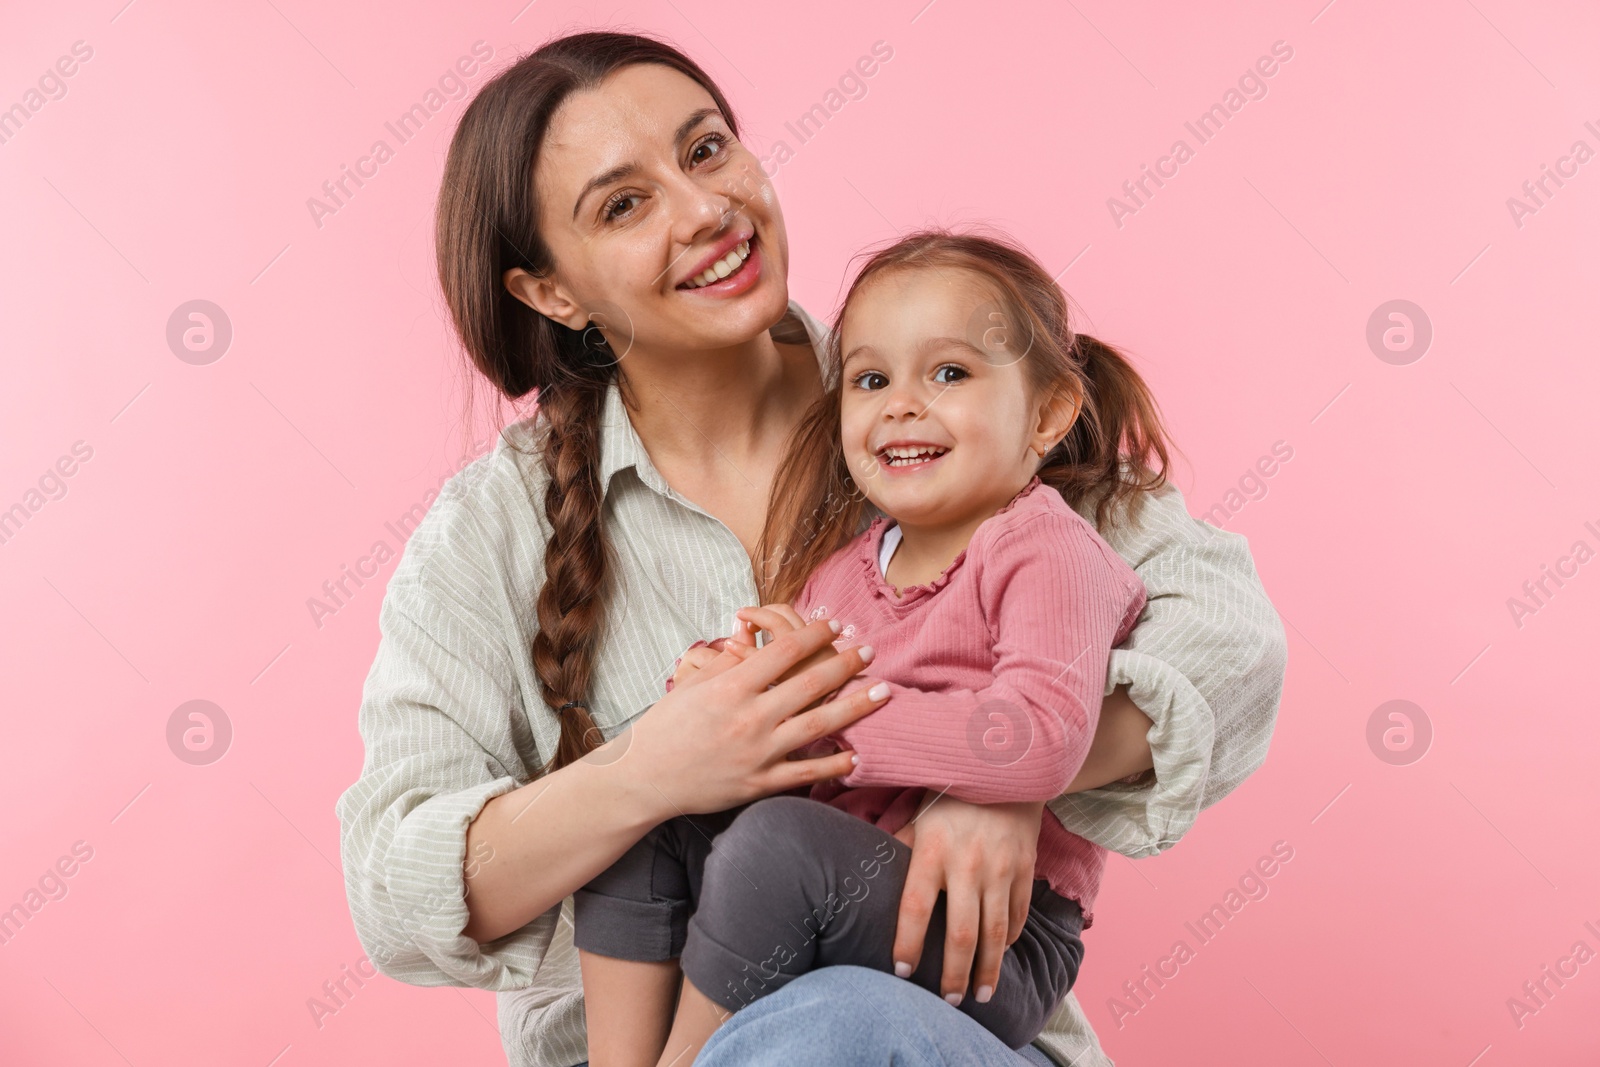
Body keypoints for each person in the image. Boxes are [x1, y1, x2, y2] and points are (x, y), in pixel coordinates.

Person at [335, 29, 1288, 1067]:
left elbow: (1233, 644)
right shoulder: (491, 532)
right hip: (651, 1032)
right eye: (623, 203)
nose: (704, 210)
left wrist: (997, 773)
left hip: (933, 1032)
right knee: (664, 841)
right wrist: (646, 771)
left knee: (842, 1013)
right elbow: (393, 882)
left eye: (705, 152)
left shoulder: (936, 397)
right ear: (551, 292)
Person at [570, 228, 1161, 1067]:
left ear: (1049, 413)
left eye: (950, 373)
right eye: (872, 378)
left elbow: (1040, 736)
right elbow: (791, 710)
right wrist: (729, 681)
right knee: (641, 809)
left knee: (779, 849)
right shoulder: (849, 567)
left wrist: (833, 724)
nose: (901, 403)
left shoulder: (1044, 551)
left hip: (991, 927)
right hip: (853, 885)